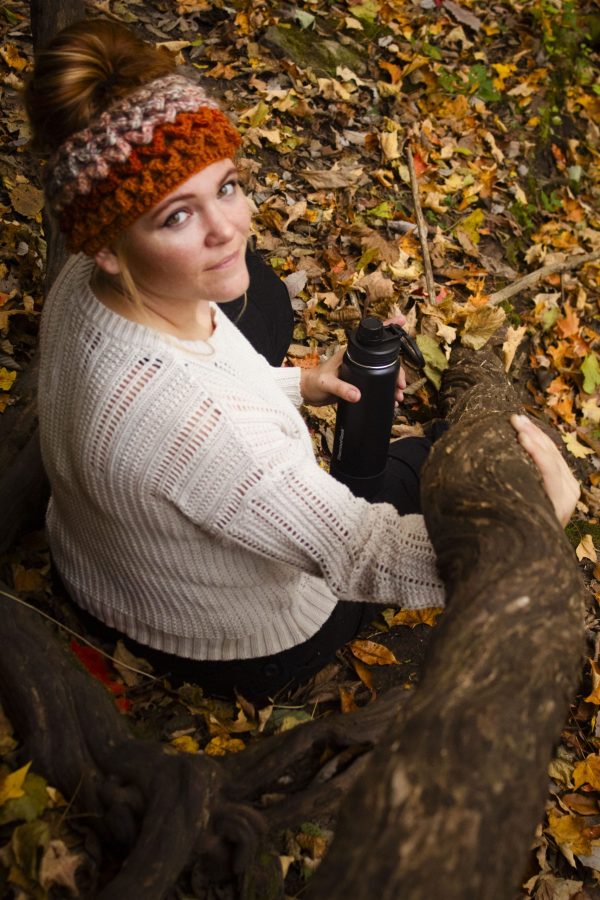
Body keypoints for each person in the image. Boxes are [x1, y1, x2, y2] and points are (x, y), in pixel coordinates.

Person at [24, 20, 580, 700]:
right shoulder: (213, 434)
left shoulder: (81, 288)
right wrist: (527, 530)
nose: (228, 228)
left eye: (226, 186)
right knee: (430, 459)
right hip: (234, 641)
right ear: (107, 243)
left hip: (109, 576)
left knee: (265, 307)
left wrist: (297, 382)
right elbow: (363, 553)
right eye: (176, 216)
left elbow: (193, 386)